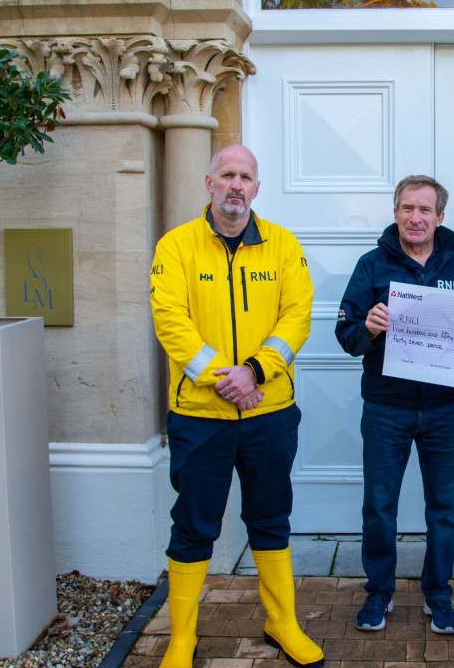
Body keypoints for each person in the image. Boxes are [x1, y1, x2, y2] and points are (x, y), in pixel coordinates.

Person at [150, 145, 322, 668]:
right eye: (227, 174)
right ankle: (182, 638)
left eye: (245, 177)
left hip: (269, 412)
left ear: (256, 188)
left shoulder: (283, 246)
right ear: (208, 182)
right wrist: (224, 377)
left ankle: (282, 623)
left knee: (271, 518)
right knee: (194, 523)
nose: (236, 185)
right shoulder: (176, 246)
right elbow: (170, 320)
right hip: (201, 416)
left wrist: (255, 371)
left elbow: (297, 317)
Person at [335, 175, 454, 635]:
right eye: (407, 208)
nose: (415, 218)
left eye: (425, 210)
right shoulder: (371, 265)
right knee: (379, 505)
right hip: (386, 408)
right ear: (395, 211)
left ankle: (438, 594)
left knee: (444, 506)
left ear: (440, 217)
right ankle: (380, 591)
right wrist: (370, 328)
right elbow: (346, 337)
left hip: (443, 411)